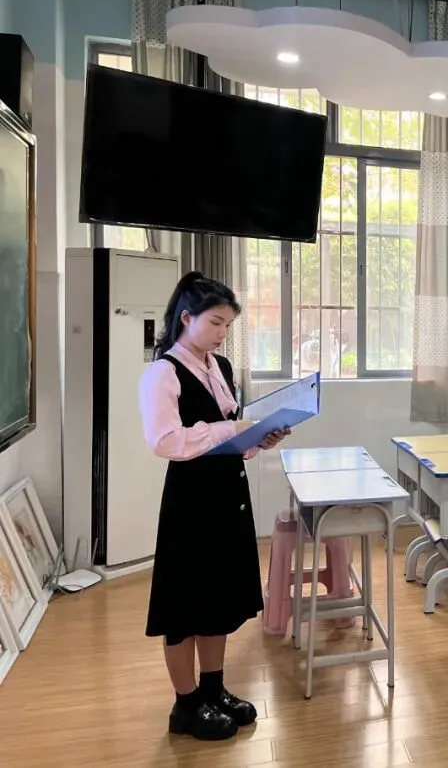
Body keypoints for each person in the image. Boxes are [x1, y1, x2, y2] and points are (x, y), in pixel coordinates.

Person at [138, 272, 290, 741]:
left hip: (227, 495)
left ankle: (213, 689)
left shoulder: (219, 367)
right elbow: (165, 441)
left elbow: (228, 434)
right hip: (190, 501)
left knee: (217, 601)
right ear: (187, 318)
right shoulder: (163, 372)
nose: (224, 332)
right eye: (216, 322)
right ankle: (185, 706)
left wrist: (257, 438)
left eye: (228, 324)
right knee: (183, 607)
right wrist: (230, 430)